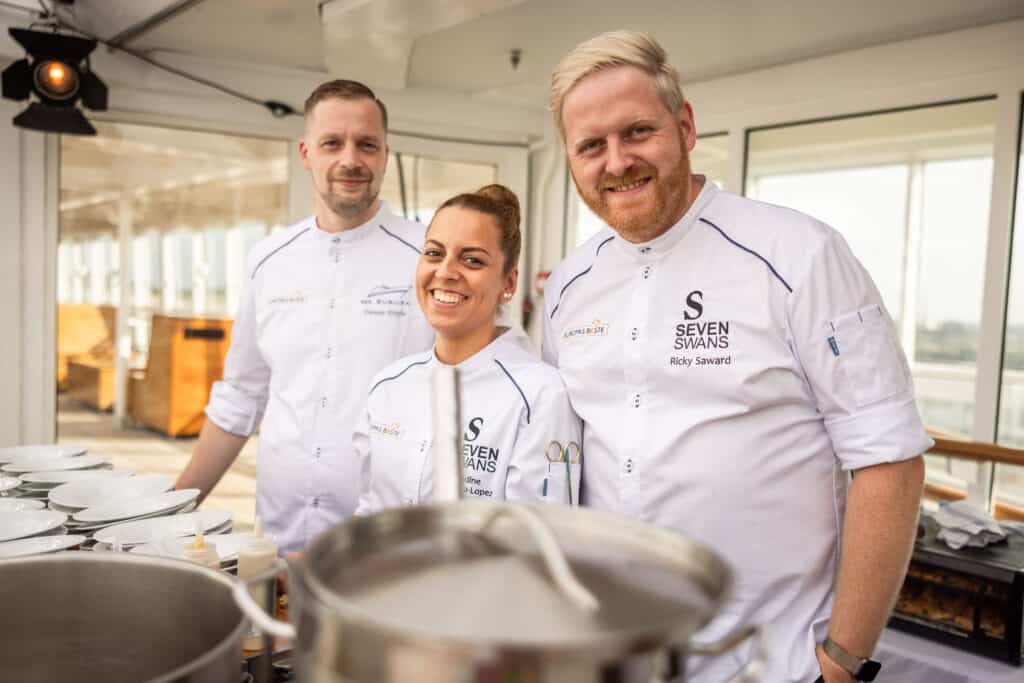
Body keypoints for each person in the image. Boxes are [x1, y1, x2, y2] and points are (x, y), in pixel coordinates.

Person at [543, 31, 930, 683]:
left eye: (637, 130)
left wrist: (842, 660)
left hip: (768, 662)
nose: (617, 161)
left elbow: (889, 459)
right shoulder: (567, 288)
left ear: (685, 125)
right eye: (591, 145)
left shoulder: (799, 256)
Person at [175, 80, 434, 554]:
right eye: (332, 143)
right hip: (275, 539)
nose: (350, 159)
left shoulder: (430, 258)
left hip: (387, 544)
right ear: (306, 153)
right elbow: (240, 395)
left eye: (367, 144)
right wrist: (175, 509)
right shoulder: (268, 259)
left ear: (385, 154)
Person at [354, 185, 581, 514]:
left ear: (509, 283)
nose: (445, 272)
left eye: (472, 260)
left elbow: (541, 538)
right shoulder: (387, 387)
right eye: (434, 253)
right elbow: (369, 513)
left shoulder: (539, 397)